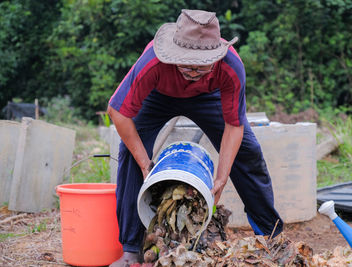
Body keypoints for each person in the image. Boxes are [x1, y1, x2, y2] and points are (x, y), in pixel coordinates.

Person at [107, 9, 283, 266]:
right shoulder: (154, 62)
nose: (192, 71)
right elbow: (118, 111)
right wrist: (146, 164)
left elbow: (234, 126)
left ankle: (270, 238)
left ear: (215, 58)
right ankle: (131, 248)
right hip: (158, 95)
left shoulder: (231, 66)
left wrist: (221, 177)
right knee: (131, 155)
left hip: (207, 97)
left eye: (201, 66)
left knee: (248, 153)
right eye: (186, 64)